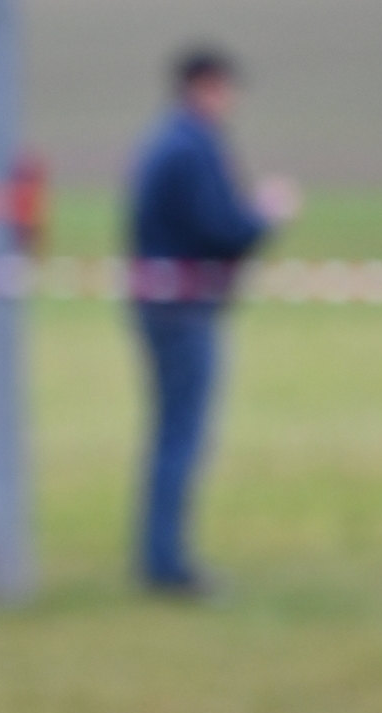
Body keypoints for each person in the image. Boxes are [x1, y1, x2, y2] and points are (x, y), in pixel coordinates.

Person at [127, 45, 301, 594]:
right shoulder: (193, 146)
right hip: (183, 310)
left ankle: (161, 557)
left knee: (171, 433)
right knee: (180, 435)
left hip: (165, 305)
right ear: (205, 86)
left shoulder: (168, 141)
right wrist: (266, 214)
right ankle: (166, 564)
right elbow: (221, 229)